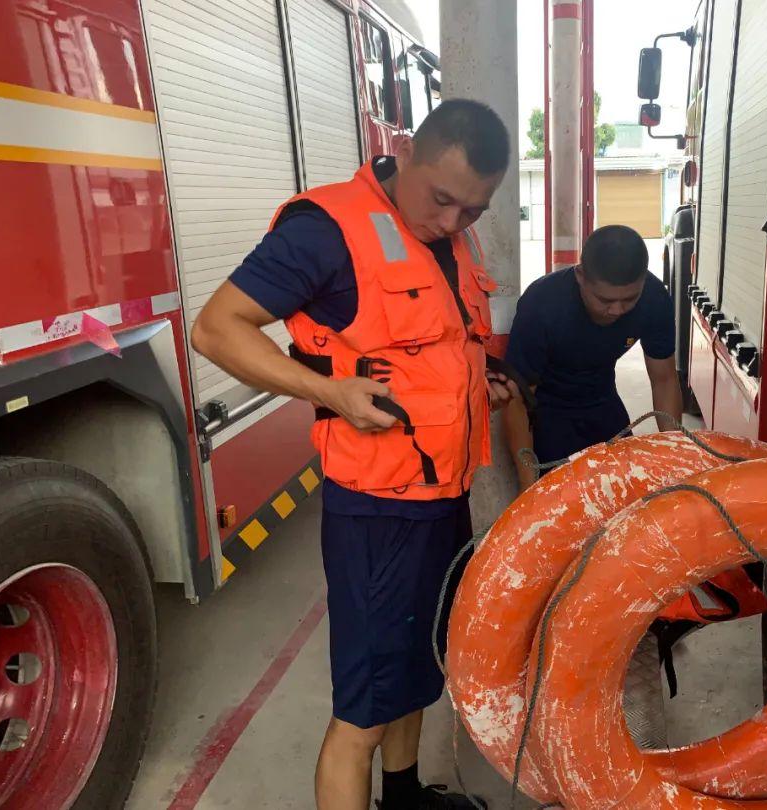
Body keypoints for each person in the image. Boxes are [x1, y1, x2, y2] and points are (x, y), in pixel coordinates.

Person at [191, 99, 518, 810]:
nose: (454, 222)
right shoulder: (328, 230)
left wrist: (476, 384)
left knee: (415, 669)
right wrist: (330, 393)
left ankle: (403, 797)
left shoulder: (453, 239)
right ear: (403, 158)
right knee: (362, 711)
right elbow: (216, 329)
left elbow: (430, 347)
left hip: (442, 497)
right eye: (442, 199)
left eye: (475, 209)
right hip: (375, 511)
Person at [503, 224, 683, 488]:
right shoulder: (541, 306)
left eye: (629, 299)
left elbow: (664, 379)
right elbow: (517, 401)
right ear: (580, 276)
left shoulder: (654, 299)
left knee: (626, 492)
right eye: (605, 300)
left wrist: (677, 456)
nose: (617, 311)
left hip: (602, 401)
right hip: (546, 409)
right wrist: (527, 484)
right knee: (560, 500)